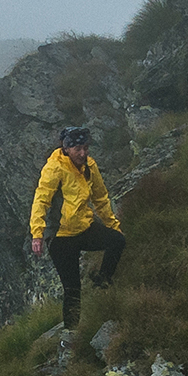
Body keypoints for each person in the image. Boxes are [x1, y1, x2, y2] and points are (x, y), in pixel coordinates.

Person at [27, 125, 125, 332]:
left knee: (117, 241)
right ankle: (71, 334)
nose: (83, 153)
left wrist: (113, 226)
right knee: (72, 290)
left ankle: (102, 281)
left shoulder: (90, 166)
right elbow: (41, 201)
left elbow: (100, 199)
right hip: (61, 238)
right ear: (66, 148)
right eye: (77, 149)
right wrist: (37, 234)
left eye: (86, 148)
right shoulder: (54, 168)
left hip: (84, 228)